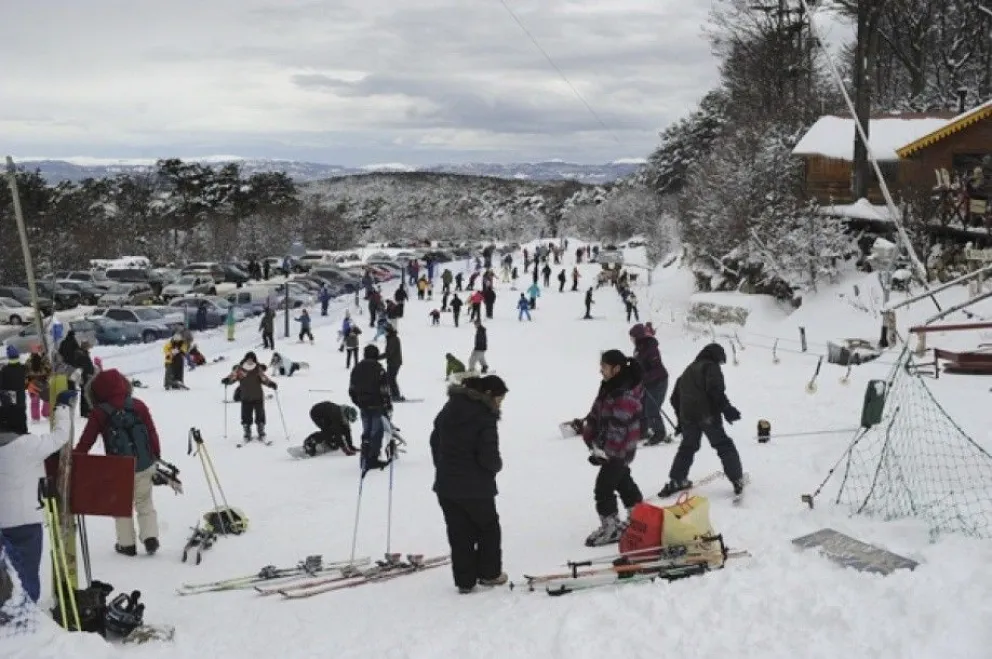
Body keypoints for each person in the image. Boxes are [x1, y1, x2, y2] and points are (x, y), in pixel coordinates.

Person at [430, 375, 509, 594]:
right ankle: (490, 573)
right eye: (500, 399)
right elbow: (488, 456)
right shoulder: (485, 416)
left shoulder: (449, 408)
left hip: (446, 485)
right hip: (475, 487)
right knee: (488, 528)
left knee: (458, 531)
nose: (499, 404)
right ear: (490, 395)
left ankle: (465, 581)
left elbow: (434, 441)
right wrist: (496, 466)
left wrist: (444, 467)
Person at [75, 369, 162, 556]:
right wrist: (155, 455)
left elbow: (86, 441)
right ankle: (150, 537)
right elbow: (151, 432)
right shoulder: (138, 405)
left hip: (118, 468)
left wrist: (76, 458)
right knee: (145, 502)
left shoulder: (100, 413)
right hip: (144, 463)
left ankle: (126, 544)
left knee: (121, 505)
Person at [0, 385, 75, 600]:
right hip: (26, 520)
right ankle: (28, 611)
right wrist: (61, 406)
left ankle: (9, 611)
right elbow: (60, 436)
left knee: (5, 574)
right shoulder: (28, 445)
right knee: (28, 572)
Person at [660, 343, 745, 498]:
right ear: (715, 356)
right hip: (708, 415)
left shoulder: (687, 371)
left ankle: (676, 480)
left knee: (687, 448)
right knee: (723, 445)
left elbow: (674, 398)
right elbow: (715, 390)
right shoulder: (710, 367)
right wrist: (727, 409)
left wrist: (680, 421)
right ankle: (737, 479)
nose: (719, 364)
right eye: (720, 361)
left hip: (688, 417)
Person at [578, 350, 644, 547]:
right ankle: (638, 517)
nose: (601, 370)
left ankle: (612, 527)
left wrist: (606, 453)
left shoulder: (624, 393)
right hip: (611, 448)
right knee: (623, 480)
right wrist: (589, 432)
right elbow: (597, 410)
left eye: (604, 367)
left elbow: (618, 428)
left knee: (604, 488)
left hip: (619, 449)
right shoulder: (610, 386)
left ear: (616, 368)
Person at [348, 344, 393, 473]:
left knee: (366, 431)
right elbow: (384, 389)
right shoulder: (379, 368)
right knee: (376, 432)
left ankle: (364, 455)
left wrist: (357, 401)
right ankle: (372, 458)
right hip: (377, 404)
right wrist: (387, 404)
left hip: (363, 405)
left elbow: (352, 388)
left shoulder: (357, 368)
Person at [222, 352, 278, 443]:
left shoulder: (257, 369)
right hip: (246, 397)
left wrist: (271, 384)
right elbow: (233, 377)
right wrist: (227, 380)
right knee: (246, 416)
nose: (250, 361)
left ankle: (261, 431)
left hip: (258, 396)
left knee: (260, 415)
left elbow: (264, 379)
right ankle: (247, 432)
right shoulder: (240, 370)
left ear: (254, 359)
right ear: (245, 359)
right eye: (248, 359)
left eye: (252, 359)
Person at [629, 323, 669, 445]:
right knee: (640, 406)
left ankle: (659, 433)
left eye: (633, 337)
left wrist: (643, 378)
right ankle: (643, 431)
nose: (631, 340)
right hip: (647, 383)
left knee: (651, 408)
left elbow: (656, 369)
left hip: (659, 382)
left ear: (639, 336)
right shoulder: (639, 349)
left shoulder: (651, 348)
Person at [25, 349, 52, 422]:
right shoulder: (44, 361)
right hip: (43, 383)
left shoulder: (28, 361)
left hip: (33, 383)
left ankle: (35, 418)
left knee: (34, 401)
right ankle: (46, 414)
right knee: (47, 400)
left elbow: (25, 373)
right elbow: (49, 371)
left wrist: (27, 383)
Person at [379, 324, 404, 401]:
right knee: (390, 379)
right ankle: (394, 394)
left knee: (391, 379)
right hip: (392, 362)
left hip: (394, 362)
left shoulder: (393, 339)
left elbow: (389, 352)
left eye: (385, 331)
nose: (384, 333)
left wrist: (377, 357)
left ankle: (396, 395)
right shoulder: (391, 338)